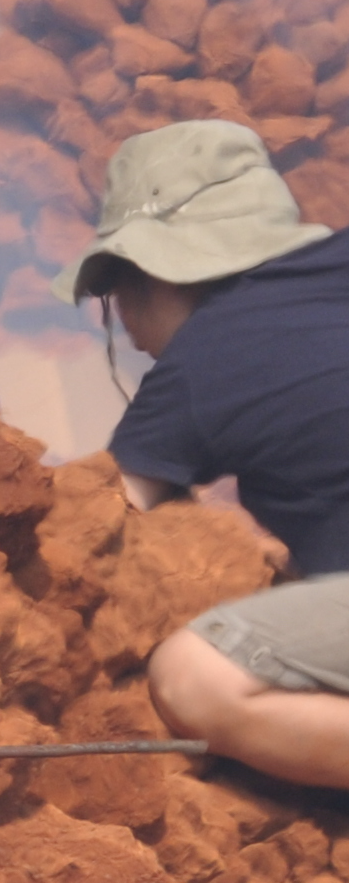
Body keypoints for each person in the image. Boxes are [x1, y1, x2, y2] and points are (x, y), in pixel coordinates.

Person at [74, 124, 349, 788]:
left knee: (194, 675)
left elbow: (100, 517)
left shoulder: (202, 360)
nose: (125, 332)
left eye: (115, 296)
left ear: (151, 273)